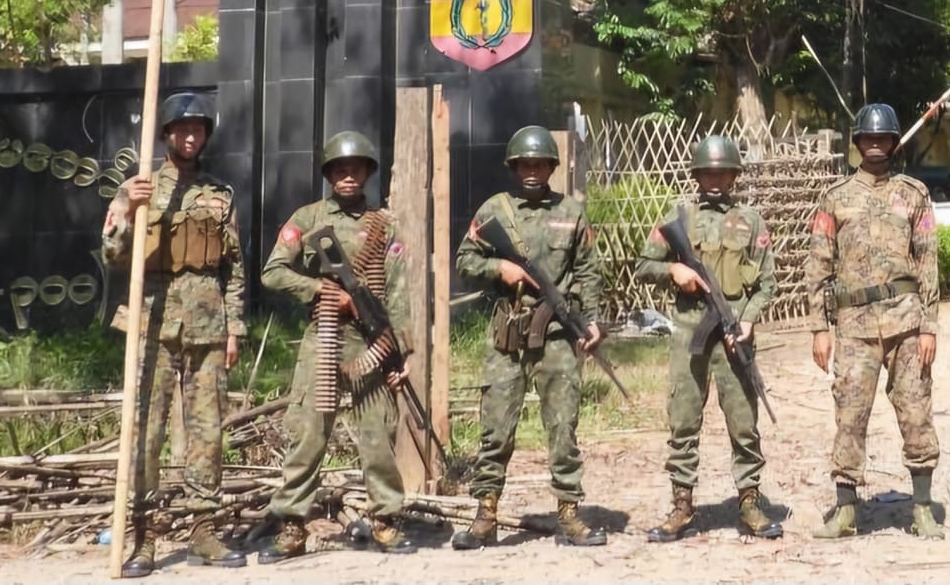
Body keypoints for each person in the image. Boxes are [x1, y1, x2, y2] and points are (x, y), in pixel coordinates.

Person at [101, 90, 247, 577]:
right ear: (165, 135)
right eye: (182, 129)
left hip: (208, 325)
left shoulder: (220, 195)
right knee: (146, 431)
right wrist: (127, 213)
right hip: (154, 322)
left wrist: (235, 327)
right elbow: (113, 256)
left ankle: (204, 529)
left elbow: (235, 268)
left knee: (207, 432)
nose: (190, 136)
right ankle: (142, 537)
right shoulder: (137, 189)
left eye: (198, 129)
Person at [258, 131, 417, 560]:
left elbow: (399, 293)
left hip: (372, 341)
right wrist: (321, 291)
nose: (349, 176)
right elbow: (272, 272)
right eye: (340, 170)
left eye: (356, 168)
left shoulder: (386, 223)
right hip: (325, 335)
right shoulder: (308, 218)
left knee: (378, 433)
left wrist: (401, 350)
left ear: (367, 172)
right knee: (309, 433)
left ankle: (385, 518)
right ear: (329, 175)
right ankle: (292, 525)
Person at [453, 125, 608, 549]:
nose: (533, 171)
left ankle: (569, 514)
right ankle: (486, 516)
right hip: (508, 334)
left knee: (563, 426)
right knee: (496, 427)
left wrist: (590, 320)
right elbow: (465, 258)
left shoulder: (571, 212)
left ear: (552, 167)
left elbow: (589, 270)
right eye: (525, 164)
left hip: (558, 334)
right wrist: (499, 269)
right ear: (514, 167)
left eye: (540, 164)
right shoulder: (494, 211)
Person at [635, 135, 783, 541]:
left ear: (734, 174)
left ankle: (750, 502)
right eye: (708, 172)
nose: (715, 179)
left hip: (734, 328)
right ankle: (682, 505)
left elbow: (768, 282)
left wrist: (749, 319)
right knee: (683, 419)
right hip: (689, 330)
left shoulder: (751, 221)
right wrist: (673, 273)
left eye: (723, 172)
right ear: (697, 174)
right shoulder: (678, 217)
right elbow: (643, 265)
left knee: (743, 420)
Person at [805, 103, 943, 539]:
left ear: (895, 142)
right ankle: (846, 510)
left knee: (916, 412)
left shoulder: (914, 194)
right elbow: (817, 264)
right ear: (858, 142)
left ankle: (921, 507)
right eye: (869, 138)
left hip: (905, 322)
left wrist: (929, 326)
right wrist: (818, 328)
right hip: (854, 325)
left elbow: (928, 262)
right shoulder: (835, 197)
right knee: (849, 414)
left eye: (884, 138)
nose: (876, 144)